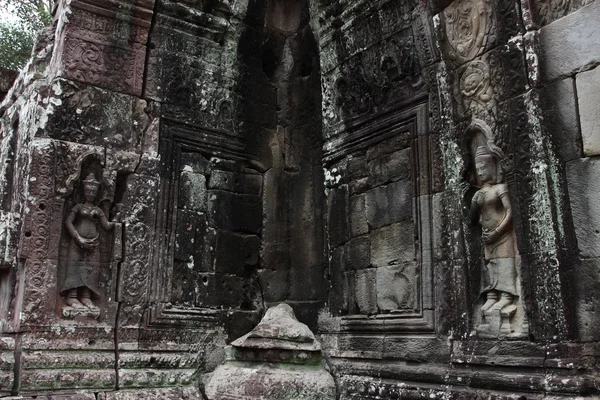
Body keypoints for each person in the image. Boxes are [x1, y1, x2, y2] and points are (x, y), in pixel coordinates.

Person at [469, 145, 518, 315]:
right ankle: (491, 295)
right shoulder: (479, 194)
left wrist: (497, 232)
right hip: (486, 237)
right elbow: (472, 220)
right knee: (489, 266)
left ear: (493, 167)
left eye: (484, 167)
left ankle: (506, 296)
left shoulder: (500, 188)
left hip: (502, 234)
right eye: (478, 169)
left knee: (504, 262)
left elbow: (510, 212)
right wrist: (474, 202)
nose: (481, 172)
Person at [61, 173, 115, 312]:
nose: (91, 194)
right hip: (77, 243)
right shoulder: (78, 207)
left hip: (93, 244)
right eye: (88, 191)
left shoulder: (98, 210)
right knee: (73, 267)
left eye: (93, 192)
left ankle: (86, 296)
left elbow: (107, 226)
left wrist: (118, 218)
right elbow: (68, 222)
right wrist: (78, 238)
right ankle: (71, 296)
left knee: (93, 269)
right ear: (84, 192)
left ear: (97, 193)